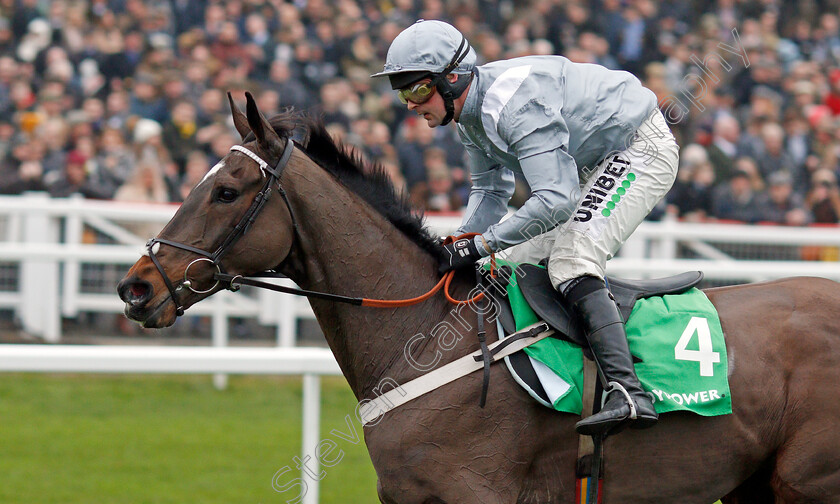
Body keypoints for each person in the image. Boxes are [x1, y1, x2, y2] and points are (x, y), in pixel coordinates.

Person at [373, 20, 679, 435]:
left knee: (572, 261)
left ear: (453, 78)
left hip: (638, 149)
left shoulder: (513, 106)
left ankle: (628, 392)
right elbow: (489, 189)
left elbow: (555, 200)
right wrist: (462, 243)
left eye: (417, 89)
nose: (410, 104)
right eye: (402, 93)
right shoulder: (467, 115)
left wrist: (481, 243)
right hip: (588, 167)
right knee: (504, 267)